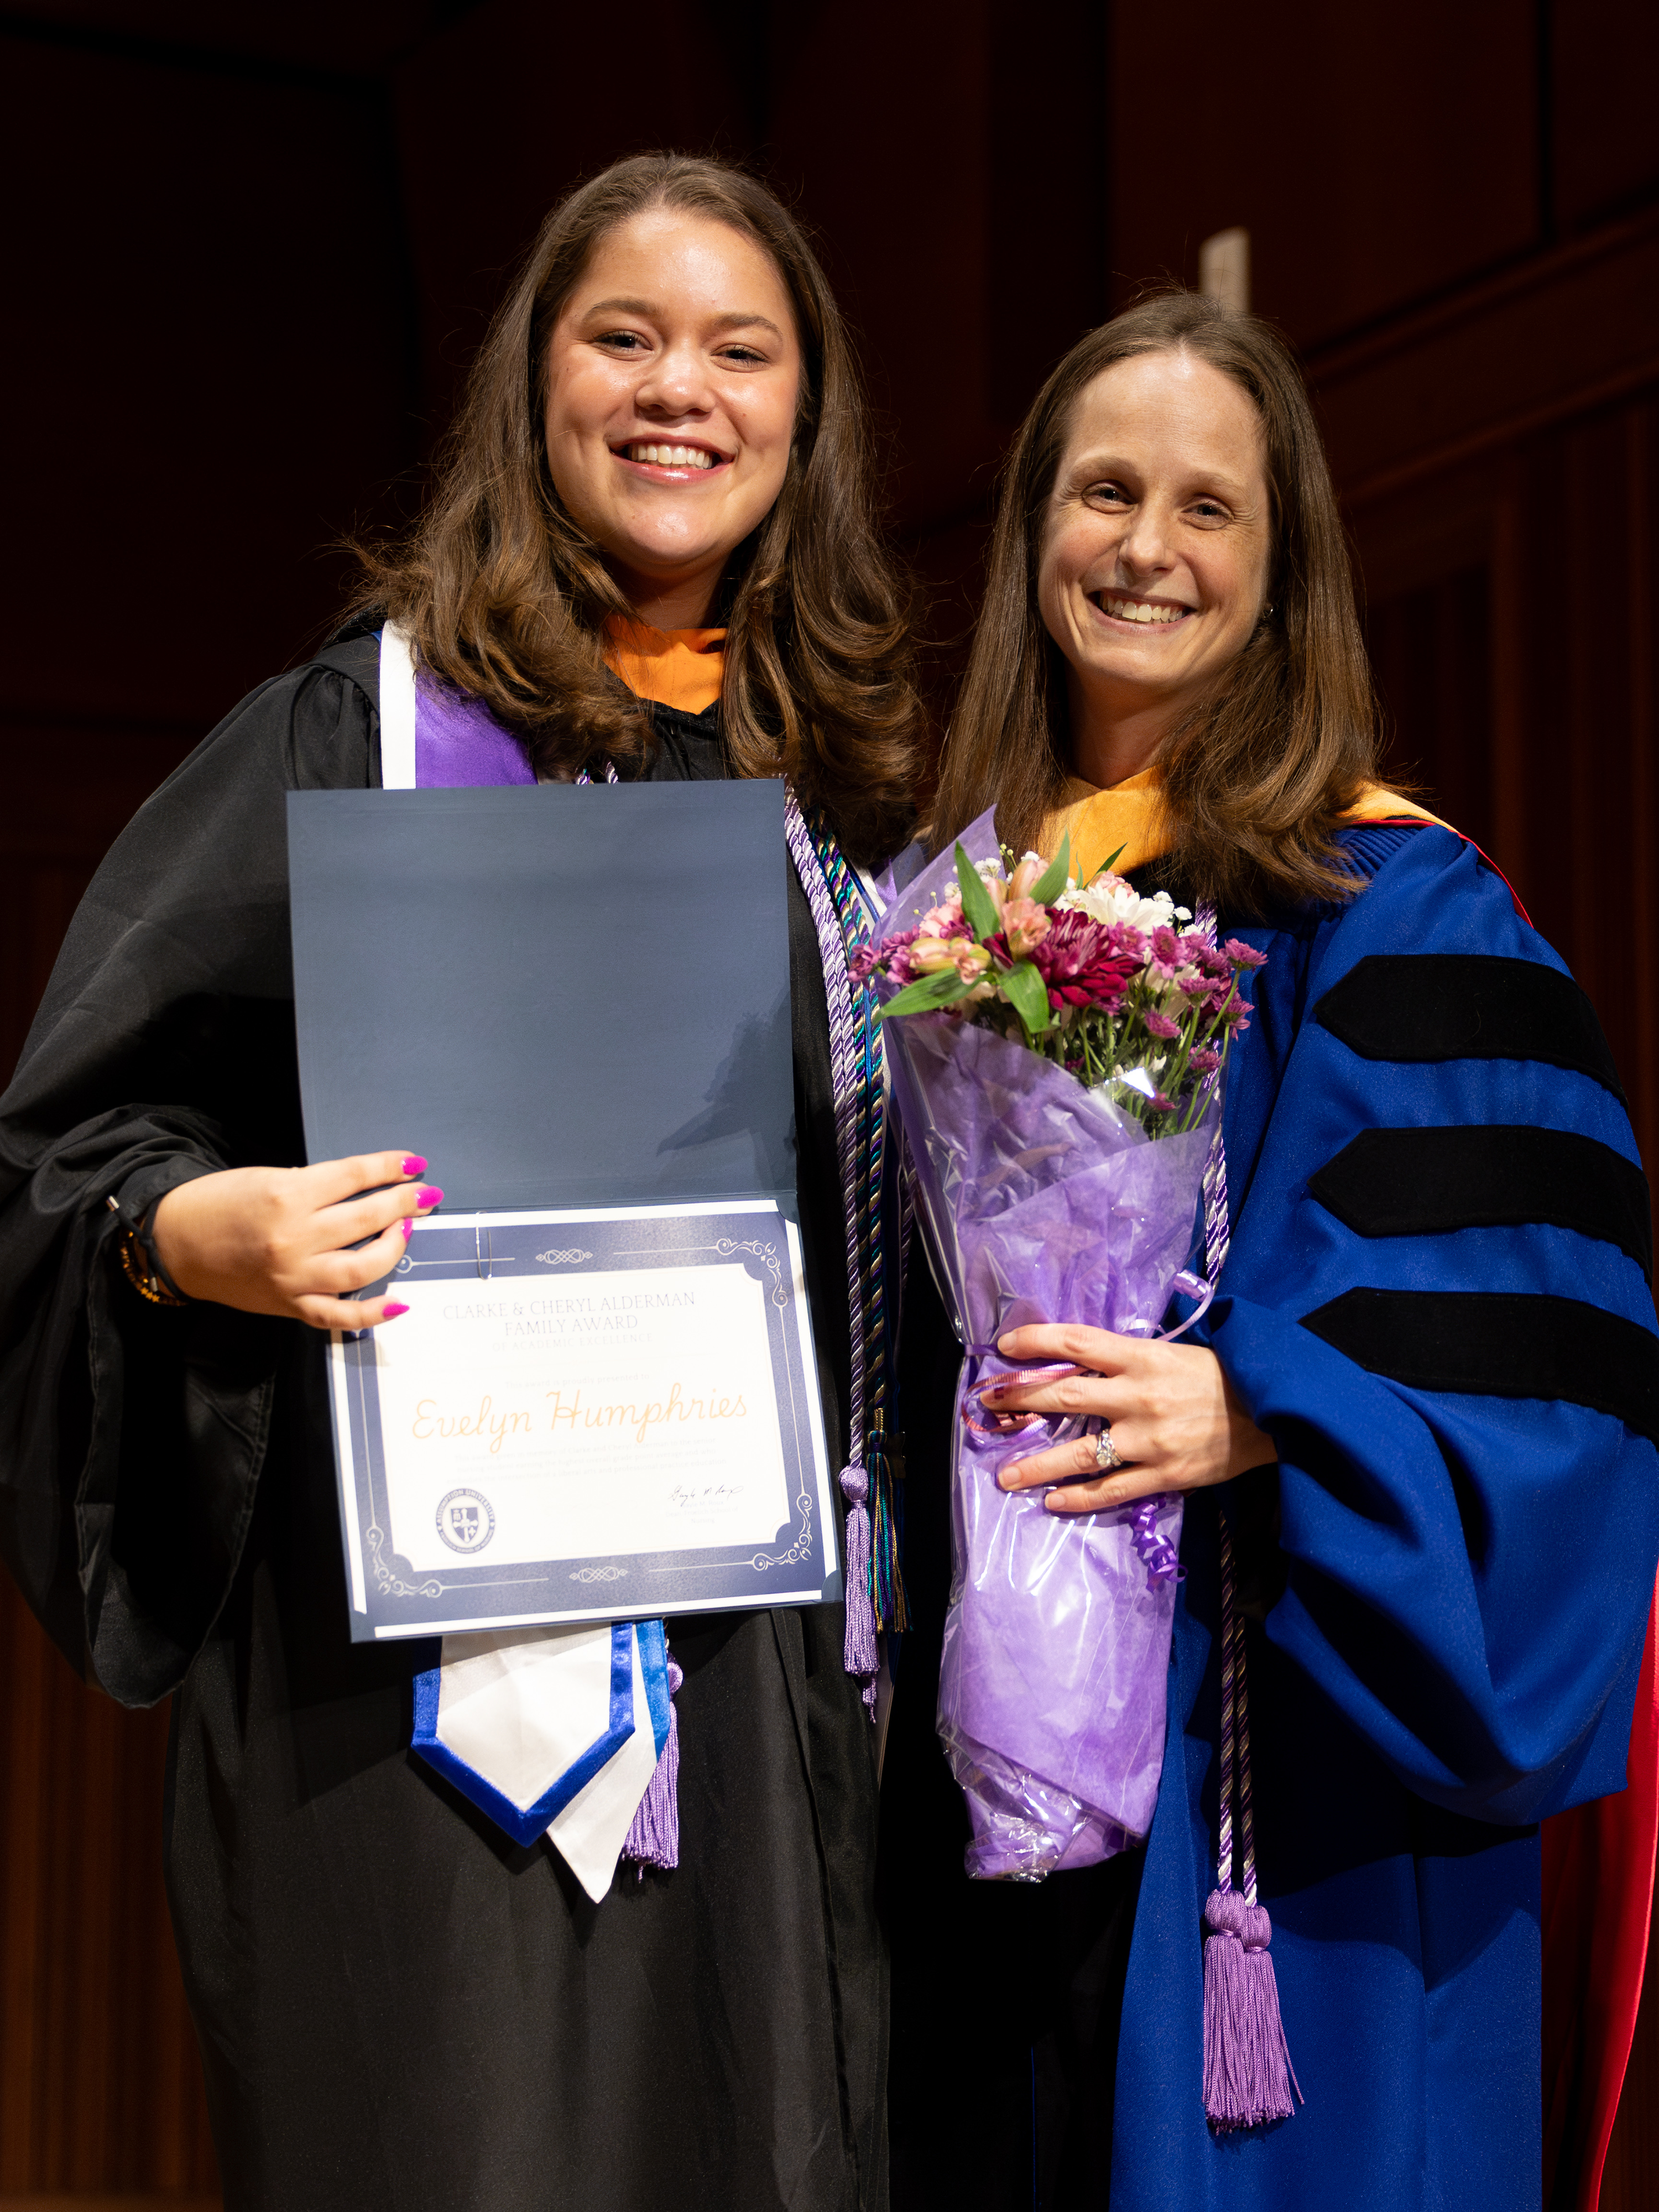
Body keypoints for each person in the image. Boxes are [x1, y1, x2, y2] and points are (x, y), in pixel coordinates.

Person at [0, 153, 920, 2211]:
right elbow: (66, 1149)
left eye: (738, 350)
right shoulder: (355, 734)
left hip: (756, 1716)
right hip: (410, 1708)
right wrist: (187, 1242)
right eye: (625, 337)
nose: (680, 390)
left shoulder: (846, 800)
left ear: (804, 412)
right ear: (536, 382)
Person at [879, 290, 1659, 2210]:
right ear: (1030, 538)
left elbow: (1545, 1369)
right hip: (945, 1811)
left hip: (1262, 1791)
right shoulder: (924, 904)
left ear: (1284, 561)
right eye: (1106, 493)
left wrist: (1267, 1401)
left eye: (1209, 509)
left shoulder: (1399, 905)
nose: (1148, 547)